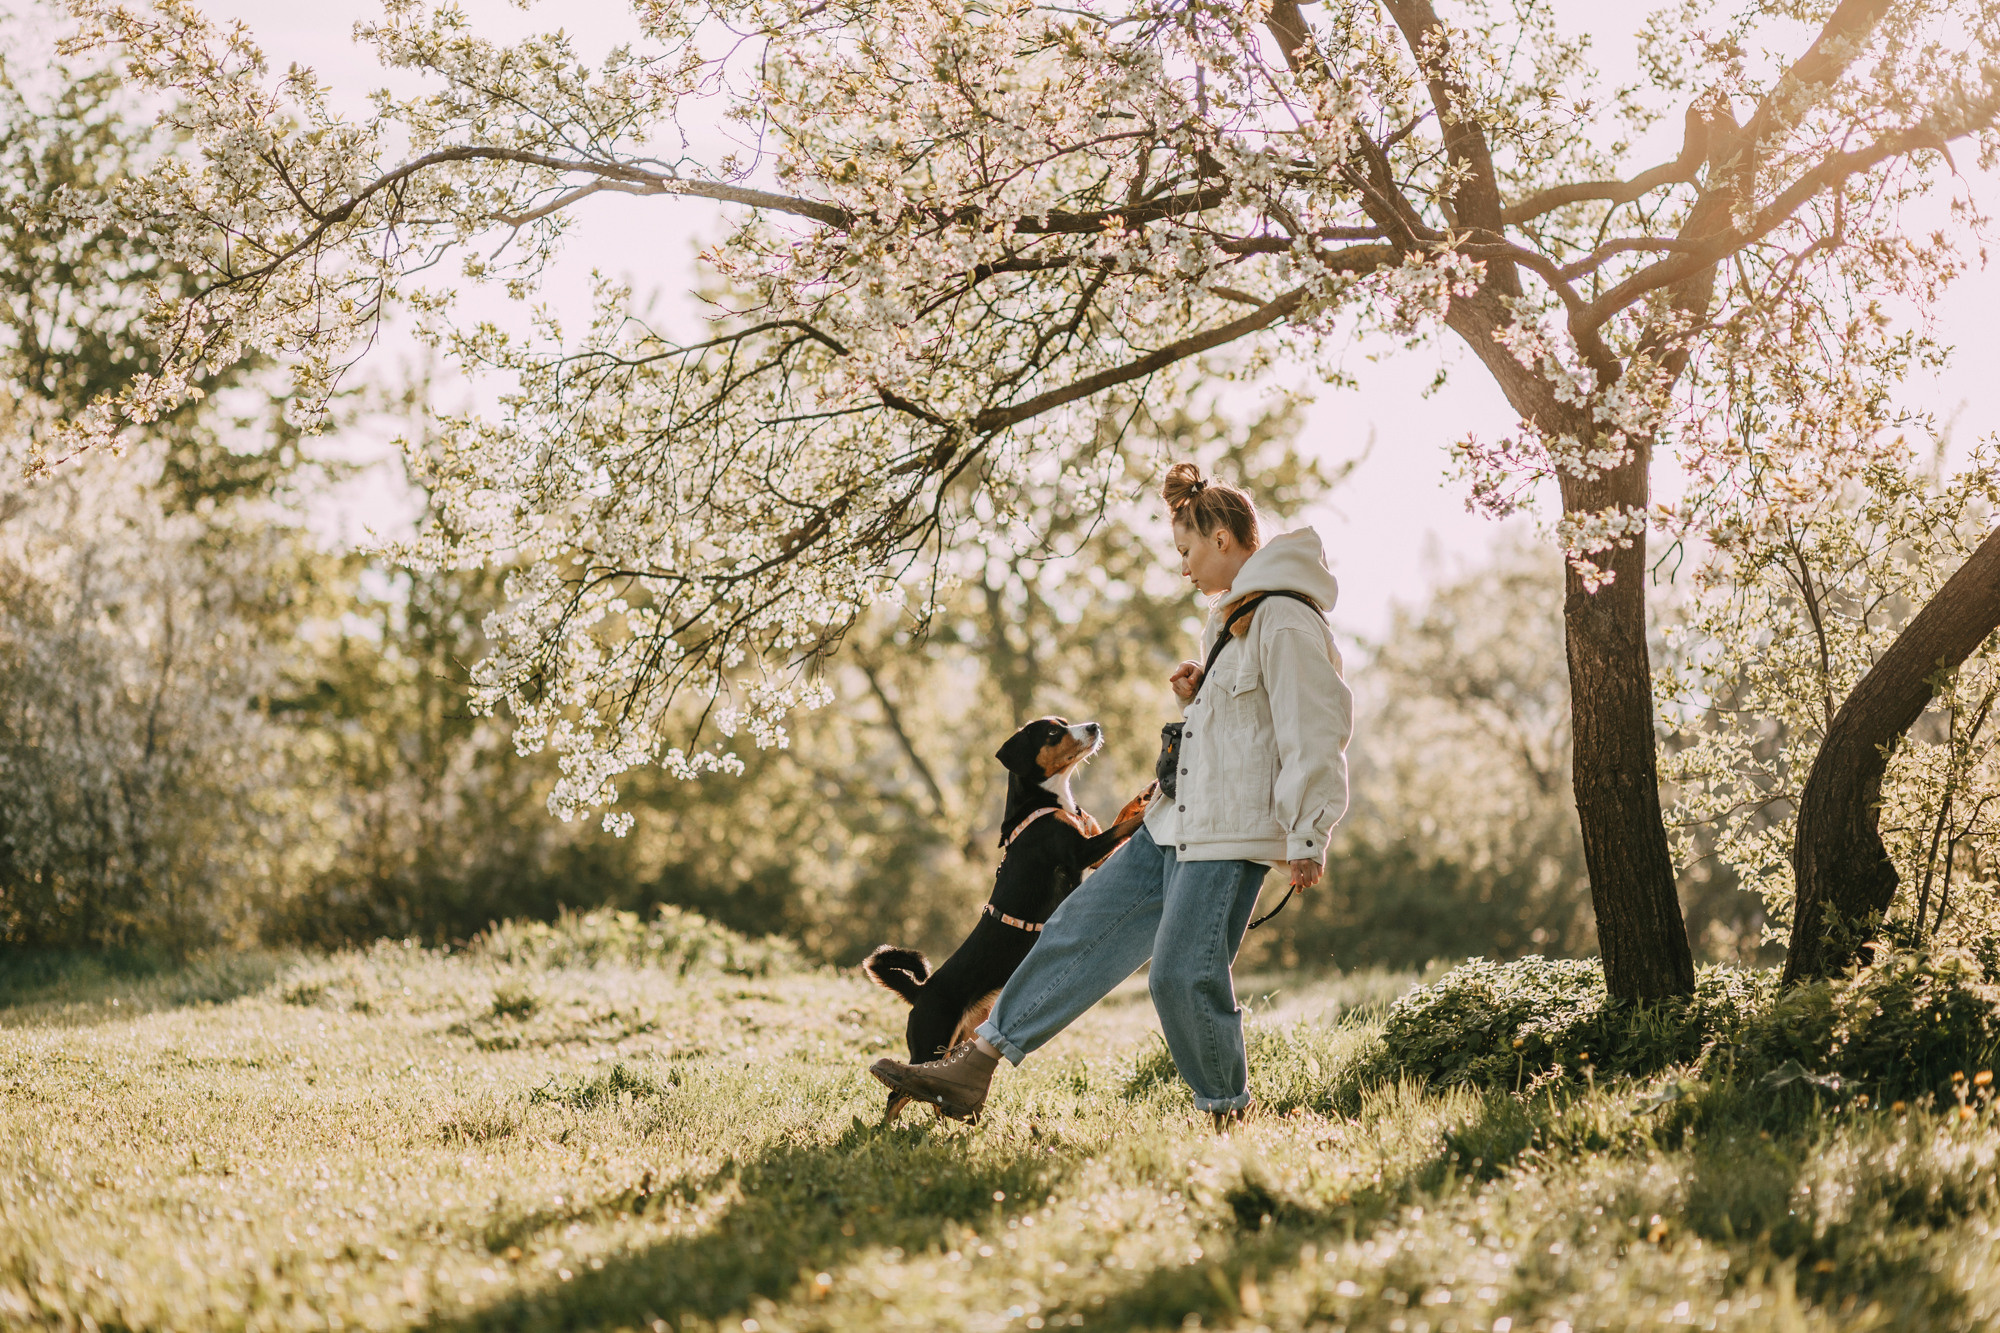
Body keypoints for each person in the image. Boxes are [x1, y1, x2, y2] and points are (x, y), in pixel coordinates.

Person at [869, 462, 1353, 1130]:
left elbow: (1315, 727)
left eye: (1185, 551)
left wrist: (1310, 831)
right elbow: (1249, 724)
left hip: (1226, 834)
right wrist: (1197, 699)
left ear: (1221, 538)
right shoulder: (1231, 621)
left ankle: (1227, 1117)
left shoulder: (1287, 619)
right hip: (1173, 823)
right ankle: (971, 1068)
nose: (1183, 569)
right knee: (1074, 930)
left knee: (1182, 975)